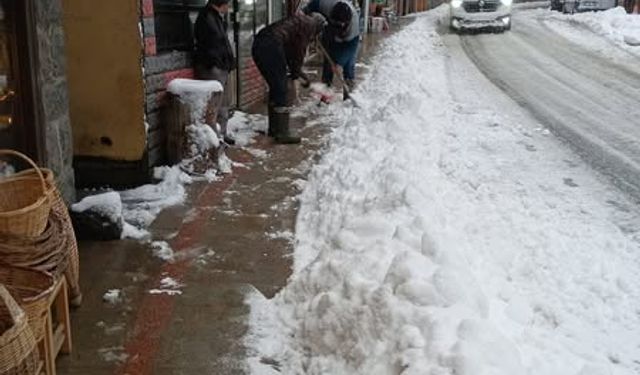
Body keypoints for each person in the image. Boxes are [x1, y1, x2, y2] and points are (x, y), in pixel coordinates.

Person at [252, 13, 326, 144]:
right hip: (271, 45)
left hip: (259, 43)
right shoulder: (307, 26)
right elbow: (297, 53)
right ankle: (282, 133)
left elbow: (289, 54)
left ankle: (274, 129)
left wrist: (298, 73)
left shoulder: (300, 21)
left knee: (276, 87)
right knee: (281, 89)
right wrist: (297, 74)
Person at [194, 0, 236, 145]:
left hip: (221, 66)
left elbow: (223, 42)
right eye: (227, 4)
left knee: (224, 103)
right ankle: (215, 139)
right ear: (221, 3)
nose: (229, 7)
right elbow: (211, 44)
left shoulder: (216, 17)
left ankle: (222, 133)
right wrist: (215, 62)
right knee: (214, 105)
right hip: (213, 67)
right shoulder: (206, 17)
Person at [303, 0, 360, 89]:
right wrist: (304, 14)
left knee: (348, 65)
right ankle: (326, 91)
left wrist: (339, 63)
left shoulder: (353, 28)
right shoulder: (325, 4)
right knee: (329, 62)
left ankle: (349, 90)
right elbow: (311, 6)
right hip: (329, 30)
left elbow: (350, 48)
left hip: (349, 42)